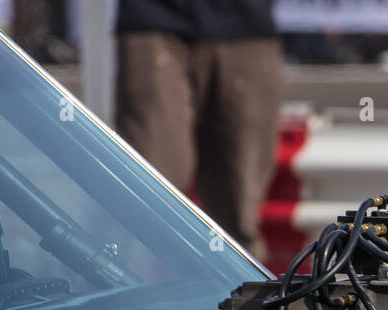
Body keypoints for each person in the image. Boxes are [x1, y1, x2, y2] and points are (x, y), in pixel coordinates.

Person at [114, 0, 284, 261]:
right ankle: (135, 294)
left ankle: (241, 296)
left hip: (247, 26)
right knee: (149, 195)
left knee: (238, 217)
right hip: (154, 20)